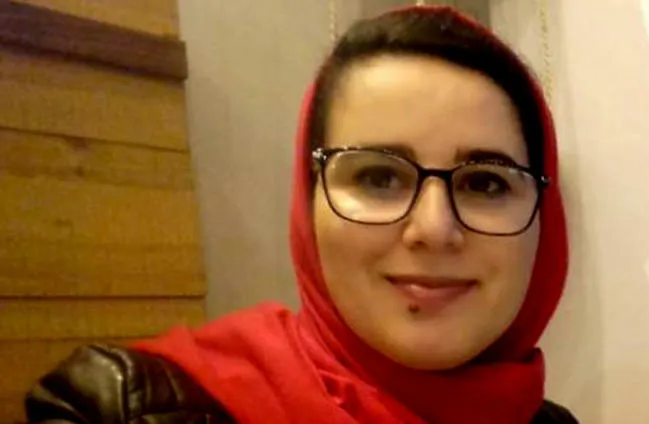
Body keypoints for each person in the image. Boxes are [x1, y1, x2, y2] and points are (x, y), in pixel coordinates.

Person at [25, 5, 575, 424]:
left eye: (485, 183)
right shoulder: (118, 408)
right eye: (379, 178)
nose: (433, 229)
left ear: (544, 222)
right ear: (308, 202)